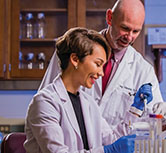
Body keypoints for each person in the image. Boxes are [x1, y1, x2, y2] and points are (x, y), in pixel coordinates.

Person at [38, 0, 166, 138]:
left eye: (136, 31)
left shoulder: (143, 70)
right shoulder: (73, 51)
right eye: (125, 28)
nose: (129, 37)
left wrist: (164, 114)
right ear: (109, 17)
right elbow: (46, 101)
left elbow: (153, 124)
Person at [24, 27, 154, 153]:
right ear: (75, 59)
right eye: (98, 64)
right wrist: (108, 151)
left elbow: (112, 140)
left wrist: (135, 109)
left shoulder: (88, 103)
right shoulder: (45, 102)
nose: (101, 73)